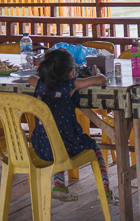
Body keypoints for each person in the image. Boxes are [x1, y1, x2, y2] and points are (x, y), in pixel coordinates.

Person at [28, 48, 116, 204]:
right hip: (65, 146)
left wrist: (45, 76)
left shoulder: (38, 83)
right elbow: (101, 80)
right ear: (70, 72)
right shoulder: (72, 84)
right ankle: (105, 189)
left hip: (40, 147)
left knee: (57, 139)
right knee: (93, 146)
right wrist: (95, 72)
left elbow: (30, 78)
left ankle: (59, 184)